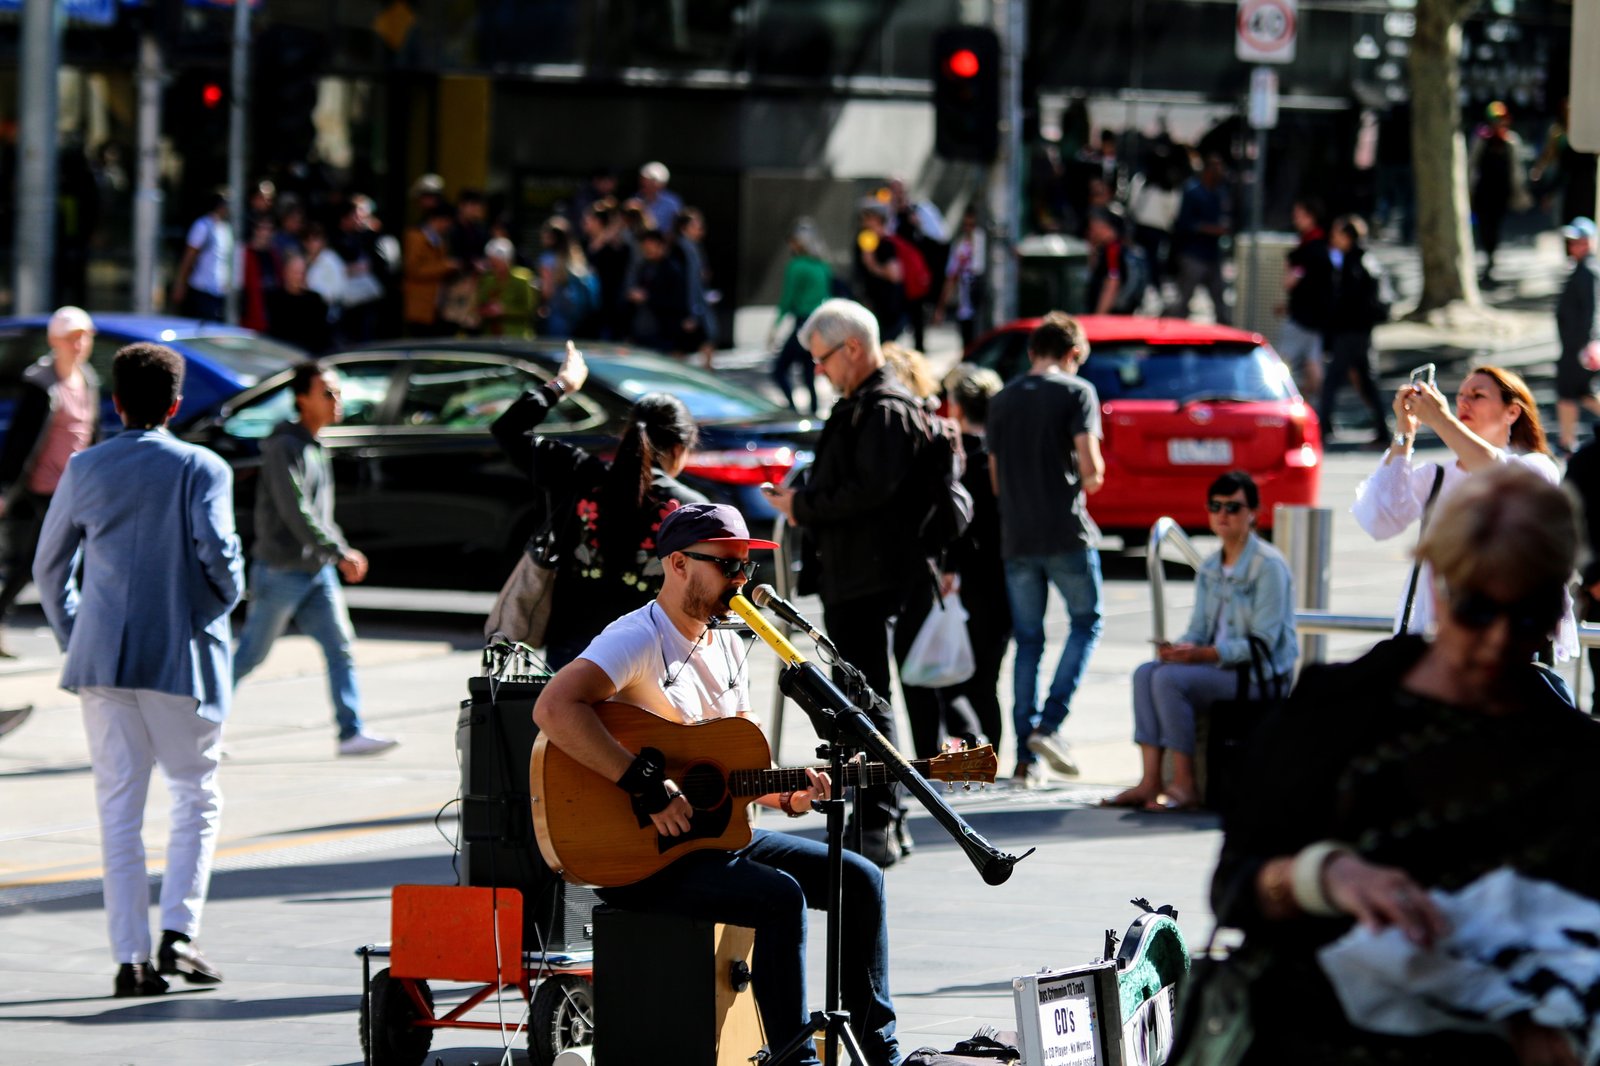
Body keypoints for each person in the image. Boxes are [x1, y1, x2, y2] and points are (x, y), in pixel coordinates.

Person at [1204, 464, 1600, 1065]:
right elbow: (1234, 886)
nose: (1496, 640)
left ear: (1555, 613)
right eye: (1475, 609)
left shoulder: (1574, 757)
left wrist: (1557, 1017)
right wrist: (1325, 876)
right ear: (1439, 586)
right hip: (1315, 1042)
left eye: (1522, 616)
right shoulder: (1336, 711)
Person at [532, 502, 900, 1066]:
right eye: (727, 565)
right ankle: (792, 1059)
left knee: (861, 879)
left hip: (714, 838)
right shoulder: (634, 638)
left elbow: (731, 770)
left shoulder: (730, 640)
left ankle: (880, 1049)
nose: (742, 579)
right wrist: (645, 785)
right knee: (780, 898)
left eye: (746, 566)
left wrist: (786, 794)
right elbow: (554, 708)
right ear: (678, 563)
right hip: (642, 856)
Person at [33, 342, 244, 996]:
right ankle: (179, 935)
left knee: (119, 813)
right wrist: (200, 612)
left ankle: (130, 960)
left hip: (102, 660)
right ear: (176, 404)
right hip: (181, 657)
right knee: (196, 796)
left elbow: (48, 569)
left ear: (116, 401)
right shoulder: (201, 467)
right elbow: (225, 569)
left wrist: (81, 631)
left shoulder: (84, 467)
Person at [763, 298, 942, 867]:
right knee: (863, 696)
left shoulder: (884, 408)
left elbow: (871, 494)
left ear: (854, 349)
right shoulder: (863, 404)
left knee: (866, 701)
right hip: (853, 575)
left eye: (823, 360)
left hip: (871, 577)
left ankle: (878, 820)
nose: (820, 371)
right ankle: (883, 815)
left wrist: (803, 505)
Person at [490, 344, 707, 670]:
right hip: (650, 651)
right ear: (679, 448)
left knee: (567, 720)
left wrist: (563, 384)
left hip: (574, 647)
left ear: (627, 434)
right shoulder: (692, 509)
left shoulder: (577, 473)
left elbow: (507, 429)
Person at [232, 362, 398, 757]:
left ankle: (350, 731)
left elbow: (322, 516)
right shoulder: (283, 446)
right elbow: (297, 511)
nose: (336, 400)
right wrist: (339, 552)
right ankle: (198, 729)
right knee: (250, 655)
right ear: (302, 399)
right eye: (327, 393)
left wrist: (337, 550)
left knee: (339, 646)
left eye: (339, 392)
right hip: (281, 571)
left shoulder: (314, 444)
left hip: (317, 570)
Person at [1354, 364, 1575, 658]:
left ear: (1512, 412)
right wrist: (1404, 432)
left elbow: (1503, 480)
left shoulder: (1535, 467)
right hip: (1434, 642)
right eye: (1459, 395)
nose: (1464, 402)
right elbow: (1380, 520)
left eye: (1478, 395)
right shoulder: (1438, 475)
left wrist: (1440, 419)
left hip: (1505, 643)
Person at [1106, 471, 1296, 812]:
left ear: (1254, 512)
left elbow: (1263, 644)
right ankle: (1150, 781)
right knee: (1147, 671)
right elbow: (1197, 628)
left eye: (1233, 507)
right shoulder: (1210, 566)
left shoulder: (1269, 566)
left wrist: (1203, 654)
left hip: (1257, 675)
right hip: (1215, 666)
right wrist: (1179, 649)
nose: (1223, 514)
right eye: (1215, 506)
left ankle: (1185, 784)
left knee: (1168, 680)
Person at [986, 313, 1104, 785]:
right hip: (1065, 533)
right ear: (1072, 354)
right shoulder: (1077, 393)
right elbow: (1092, 468)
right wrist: (1085, 479)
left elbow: (995, 481)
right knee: (1086, 621)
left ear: (1033, 351)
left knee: (1029, 642)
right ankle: (1049, 725)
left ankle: (1023, 758)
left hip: (1017, 536)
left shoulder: (1002, 399)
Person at [0, 307, 101, 657]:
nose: (80, 344)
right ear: (55, 341)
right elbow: (20, 441)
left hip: (78, 488)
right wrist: (6, 489)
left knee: (83, 560)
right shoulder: (41, 384)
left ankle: (85, 636)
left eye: (85, 336)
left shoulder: (88, 380)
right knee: (31, 563)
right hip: (42, 490)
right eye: (72, 338)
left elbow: (93, 435)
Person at [937, 365, 1010, 752]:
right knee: (987, 679)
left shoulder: (954, 454)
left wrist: (948, 566)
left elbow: (951, 522)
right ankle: (990, 753)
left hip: (961, 579)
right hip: (1002, 577)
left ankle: (970, 749)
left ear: (958, 407)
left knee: (951, 676)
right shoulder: (1003, 454)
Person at [1319, 215, 1392, 446]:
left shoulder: (1352, 264)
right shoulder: (1367, 260)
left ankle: (1323, 428)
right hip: (1362, 332)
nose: (1334, 239)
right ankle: (1383, 429)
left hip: (1350, 332)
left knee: (1332, 381)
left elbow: (1346, 301)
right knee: (1367, 382)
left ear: (1348, 237)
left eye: (1338, 234)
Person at [767, 219, 832, 416]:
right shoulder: (822, 266)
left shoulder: (796, 266)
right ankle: (813, 412)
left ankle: (794, 411)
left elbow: (787, 300)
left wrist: (774, 327)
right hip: (817, 325)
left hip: (803, 324)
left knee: (779, 370)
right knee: (807, 373)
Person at [1469, 101, 1531, 286]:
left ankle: (1491, 260)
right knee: (1484, 228)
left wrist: (1519, 193)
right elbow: (1472, 165)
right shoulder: (1481, 140)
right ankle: (1488, 259)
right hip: (1483, 193)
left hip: (1500, 194)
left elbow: (1516, 170)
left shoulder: (1510, 142)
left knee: (1494, 227)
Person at [1277, 197, 1333, 399]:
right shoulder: (1322, 246)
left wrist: (1289, 270)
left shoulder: (1308, 249)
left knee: (1280, 365)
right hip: (1316, 318)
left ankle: (1282, 403)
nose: (1295, 219)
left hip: (1302, 318)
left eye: (1299, 215)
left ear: (1311, 217)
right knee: (1313, 367)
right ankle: (1317, 410)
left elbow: (1290, 282)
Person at [1554, 217, 1600, 455]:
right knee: (1575, 393)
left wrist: (1591, 343)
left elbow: (1593, 309)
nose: (1575, 246)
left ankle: (1565, 441)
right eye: (1572, 242)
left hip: (1580, 347)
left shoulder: (1589, 272)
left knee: (1578, 392)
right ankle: (1566, 441)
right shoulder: (1579, 269)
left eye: (1580, 241)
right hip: (1572, 345)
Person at [1169, 154, 1231, 323]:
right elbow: (1184, 223)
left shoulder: (1219, 192)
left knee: (1220, 302)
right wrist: (1211, 229)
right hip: (1192, 255)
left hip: (1212, 255)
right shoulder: (1192, 191)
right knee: (1182, 301)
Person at [171, 192, 232, 321]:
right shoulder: (202, 225)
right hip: (201, 290)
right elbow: (189, 257)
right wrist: (180, 284)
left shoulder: (226, 228)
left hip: (219, 292)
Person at [402, 204, 459, 337]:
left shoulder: (440, 240)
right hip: (419, 304)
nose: (448, 226)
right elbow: (413, 269)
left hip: (436, 304)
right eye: (447, 222)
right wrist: (446, 266)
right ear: (438, 220)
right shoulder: (415, 238)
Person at [934, 206, 986, 349]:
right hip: (964, 300)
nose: (969, 229)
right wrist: (941, 307)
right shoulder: (959, 245)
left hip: (979, 299)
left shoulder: (981, 240)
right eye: (966, 225)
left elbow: (978, 266)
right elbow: (951, 275)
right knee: (967, 340)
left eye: (972, 225)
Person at [854, 202, 904, 344]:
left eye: (867, 218)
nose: (863, 223)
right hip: (874, 305)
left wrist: (872, 265)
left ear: (878, 219)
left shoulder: (886, 244)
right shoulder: (866, 242)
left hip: (887, 309)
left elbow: (895, 275)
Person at [476, 237, 537, 338]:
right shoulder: (487, 279)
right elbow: (479, 305)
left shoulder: (522, 278)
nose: (493, 265)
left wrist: (504, 310)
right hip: (490, 334)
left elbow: (529, 310)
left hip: (516, 335)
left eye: (496, 262)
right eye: (491, 262)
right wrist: (487, 310)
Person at [636, 160, 684, 233]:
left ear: (660, 184)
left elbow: (675, 229)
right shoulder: (636, 197)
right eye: (643, 180)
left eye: (650, 181)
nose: (645, 183)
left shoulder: (672, 202)